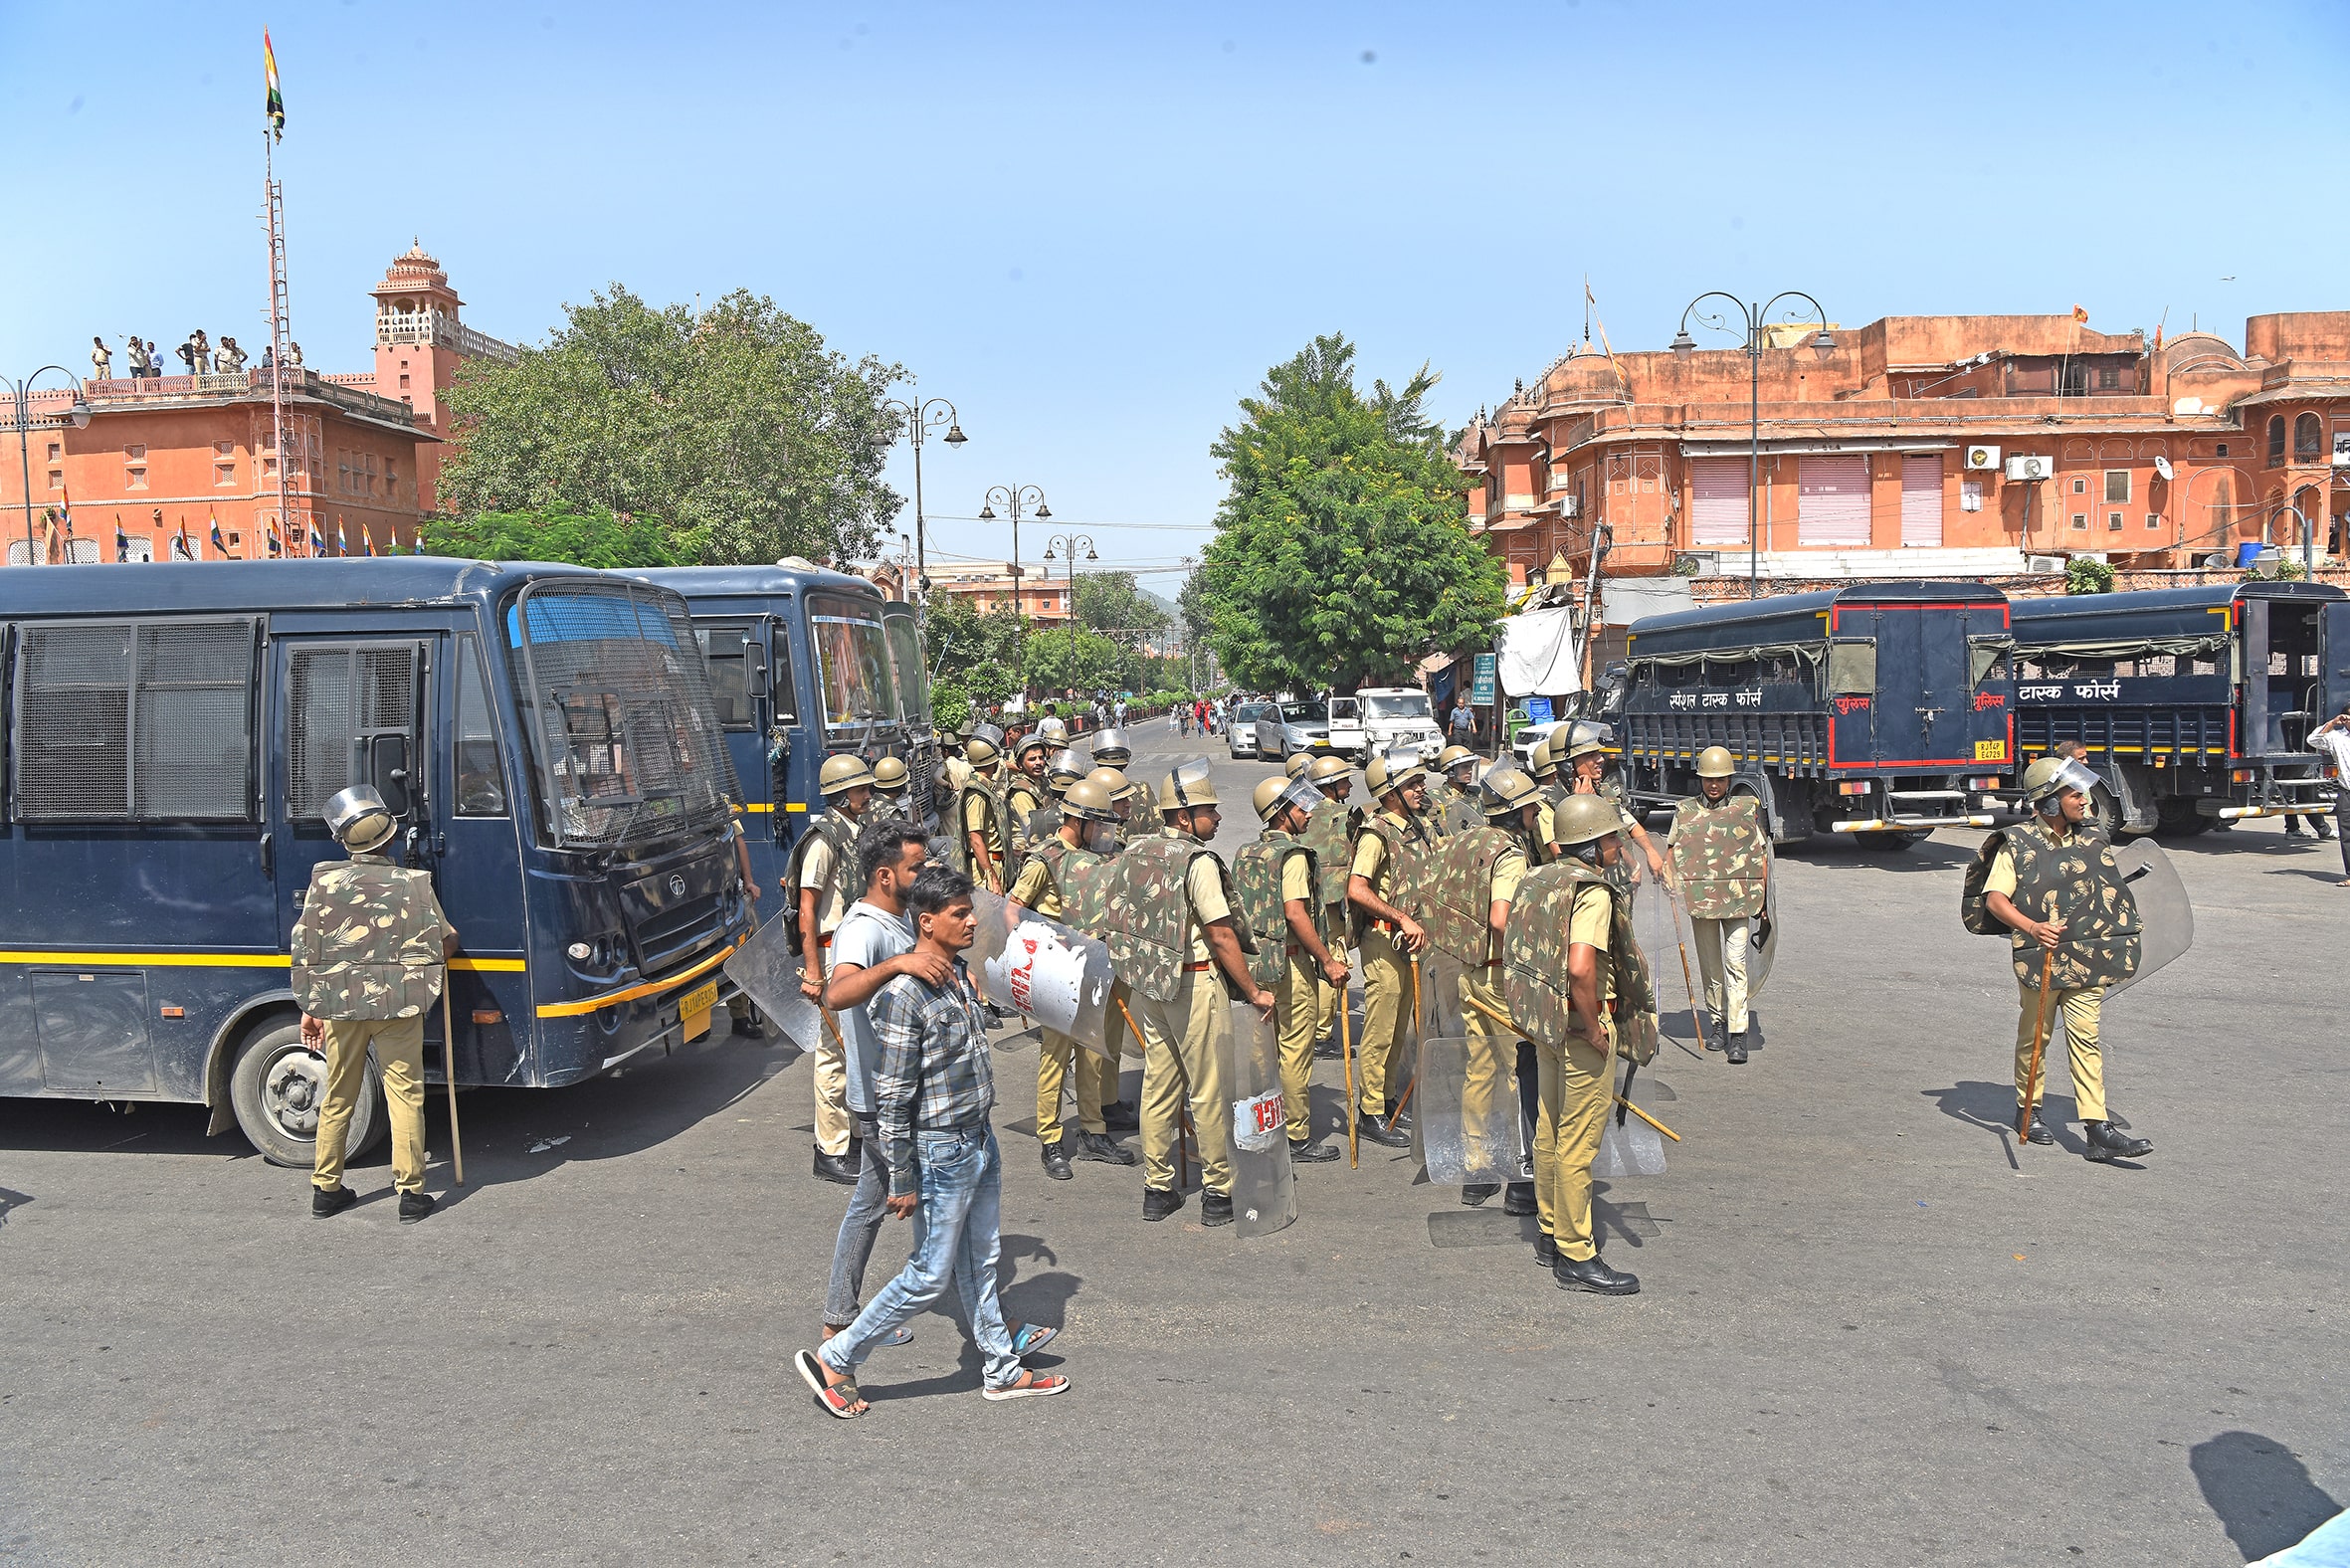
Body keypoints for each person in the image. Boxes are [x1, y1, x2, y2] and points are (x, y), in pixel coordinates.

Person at [795, 865, 1069, 1416]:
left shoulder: (959, 976)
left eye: (971, 912)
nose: (971, 922)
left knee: (982, 1260)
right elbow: (893, 1098)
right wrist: (902, 1176)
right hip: (940, 1151)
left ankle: (1000, 1368)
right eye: (959, 914)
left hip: (979, 1141)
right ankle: (839, 1356)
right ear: (927, 922)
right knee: (927, 1276)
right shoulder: (903, 995)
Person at [292, 786, 457, 1224]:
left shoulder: (323, 882)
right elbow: (444, 941)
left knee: (339, 1094)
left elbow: (308, 949)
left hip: (340, 1006)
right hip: (398, 1006)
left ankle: (326, 1190)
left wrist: (312, 1007)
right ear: (390, 840)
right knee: (405, 1096)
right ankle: (412, 1195)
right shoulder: (412, 884)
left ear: (347, 845)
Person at [1980, 757, 2155, 1163]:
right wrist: (2032, 927)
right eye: (2074, 793)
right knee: (2036, 1038)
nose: (2084, 799)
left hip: (2088, 957)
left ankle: (2098, 1129)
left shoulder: (2092, 839)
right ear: (2049, 802)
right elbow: (1995, 901)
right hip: (2040, 957)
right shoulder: (2018, 843)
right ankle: (2029, 1109)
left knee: (2086, 1037)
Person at [1124, 764, 1273, 1223]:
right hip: (1192, 982)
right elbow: (1222, 934)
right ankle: (1218, 1193)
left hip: (1151, 983)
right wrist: (1252, 991)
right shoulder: (1198, 863)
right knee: (1209, 1090)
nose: (1219, 819)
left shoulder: (1137, 850)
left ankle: (1157, 1188)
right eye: (1210, 810)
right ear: (1185, 817)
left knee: (1158, 1087)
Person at [815, 823, 939, 1346]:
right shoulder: (863, 929)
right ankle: (989, 1328)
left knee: (874, 1203)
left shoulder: (898, 918)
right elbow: (837, 993)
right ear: (886, 875)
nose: (925, 871)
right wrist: (900, 963)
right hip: (885, 1096)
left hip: (902, 1091)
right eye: (916, 866)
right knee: (945, 1198)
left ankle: (843, 1318)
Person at [1515, 794, 1644, 1294]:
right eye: (1611, 837)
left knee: (1549, 1128)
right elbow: (1580, 966)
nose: (1617, 845)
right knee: (1577, 1141)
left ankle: (1550, 1233)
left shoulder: (1538, 877)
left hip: (1545, 1024)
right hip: (1578, 1025)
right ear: (1591, 846)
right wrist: (1592, 1026)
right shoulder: (1590, 890)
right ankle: (1576, 1253)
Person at [1007, 777, 1136, 1178]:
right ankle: (1050, 1139)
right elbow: (1012, 910)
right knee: (1055, 1059)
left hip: (1094, 972)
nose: (1103, 834)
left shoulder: (1097, 855)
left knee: (1093, 1055)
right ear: (1076, 821)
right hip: (1055, 974)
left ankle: (1094, 1132)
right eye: (1097, 825)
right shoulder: (1044, 858)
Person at [1235, 774, 1349, 1164]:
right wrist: (1328, 960)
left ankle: (1260, 1119)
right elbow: (1296, 914)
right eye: (1301, 808)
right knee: (1295, 1051)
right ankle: (1296, 1133)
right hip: (1291, 962)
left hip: (1258, 962)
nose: (1308, 814)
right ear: (1282, 813)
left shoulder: (1247, 851)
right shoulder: (1293, 856)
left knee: (1261, 1049)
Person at [788, 753, 877, 1184]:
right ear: (842, 794)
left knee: (853, 1048)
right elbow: (807, 907)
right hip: (828, 953)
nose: (867, 794)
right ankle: (832, 1149)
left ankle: (854, 1136)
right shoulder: (823, 840)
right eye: (860, 788)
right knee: (832, 1054)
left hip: (849, 952)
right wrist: (812, 971)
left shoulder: (851, 832)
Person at [1346, 751, 1433, 1148]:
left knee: (1400, 1027)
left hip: (1409, 944)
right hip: (1384, 941)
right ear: (1391, 792)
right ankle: (1370, 1112)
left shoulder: (1416, 826)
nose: (1421, 789)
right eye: (1413, 784)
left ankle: (1387, 1099)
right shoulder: (1375, 833)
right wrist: (1401, 918)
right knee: (1380, 1030)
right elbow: (1356, 889)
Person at [1668, 746, 1770, 1065]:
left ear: (1729, 779)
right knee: (1711, 966)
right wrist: (1672, 882)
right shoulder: (1685, 812)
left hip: (1739, 900)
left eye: (1721, 779)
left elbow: (1760, 855)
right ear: (1700, 780)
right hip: (1702, 901)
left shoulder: (1745, 809)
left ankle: (1738, 1033)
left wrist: (1764, 899)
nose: (1714, 785)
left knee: (1735, 963)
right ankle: (1717, 1023)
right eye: (1709, 780)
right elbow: (1673, 851)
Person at [1301, 754, 1361, 1060]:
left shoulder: (1300, 812)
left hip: (1303, 901)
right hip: (1333, 904)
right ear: (1331, 785)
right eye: (1344, 780)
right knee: (1332, 963)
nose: (1350, 785)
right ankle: (1322, 1035)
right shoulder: (1346, 815)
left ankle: (1306, 1028)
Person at [955, 723, 1015, 894]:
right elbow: (975, 839)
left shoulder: (984, 788)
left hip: (993, 862)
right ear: (994, 761)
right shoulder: (976, 794)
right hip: (985, 867)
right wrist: (992, 878)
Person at [2305, 703, 2350, 884]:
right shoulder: (2337, 737)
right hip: (2346, 790)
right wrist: (2332, 723)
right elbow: (2313, 740)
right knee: (2346, 833)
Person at [1004, 731, 1053, 864]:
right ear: (1019, 764)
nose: (1039, 762)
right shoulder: (1021, 792)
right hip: (1027, 856)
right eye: (1032, 759)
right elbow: (1032, 830)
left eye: (1041, 758)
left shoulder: (1042, 782)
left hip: (1044, 849)